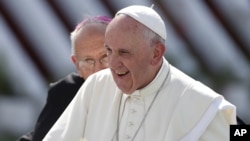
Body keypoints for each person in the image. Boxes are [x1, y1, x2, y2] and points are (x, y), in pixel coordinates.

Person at [43, 5, 237, 141]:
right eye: (109, 51)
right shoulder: (96, 85)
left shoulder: (199, 101)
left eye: (124, 53)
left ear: (156, 53)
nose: (112, 63)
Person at [17, 15, 111, 141]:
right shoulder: (67, 93)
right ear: (77, 65)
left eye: (105, 56)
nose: (98, 69)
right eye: (88, 60)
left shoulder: (142, 86)